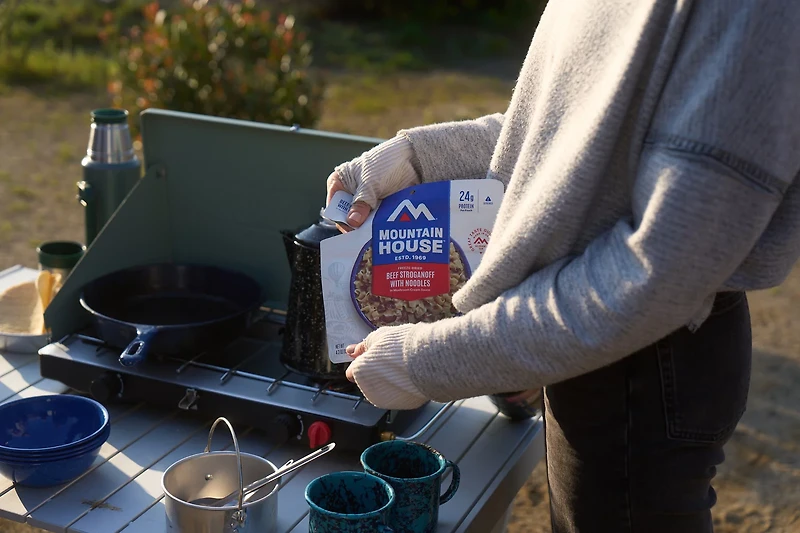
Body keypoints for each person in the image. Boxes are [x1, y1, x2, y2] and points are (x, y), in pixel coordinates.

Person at [325, 1, 800, 532]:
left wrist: (427, 361)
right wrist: (418, 158)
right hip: (583, 335)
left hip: (643, 359)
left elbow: (657, 274)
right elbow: (569, 135)